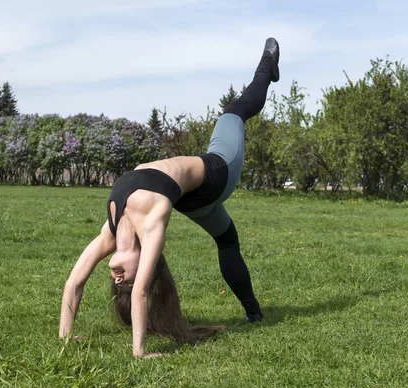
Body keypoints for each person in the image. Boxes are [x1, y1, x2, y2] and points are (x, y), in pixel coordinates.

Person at [59, 38, 280, 358]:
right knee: (235, 111)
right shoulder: (152, 223)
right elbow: (140, 292)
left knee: (227, 239)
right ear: (146, 262)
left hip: (191, 196)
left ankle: (253, 312)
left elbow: (74, 282)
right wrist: (139, 352)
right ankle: (266, 67)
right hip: (219, 177)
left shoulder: (112, 227)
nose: (118, 278)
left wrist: (65, 337)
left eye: (118, 283)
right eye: (127, 280)